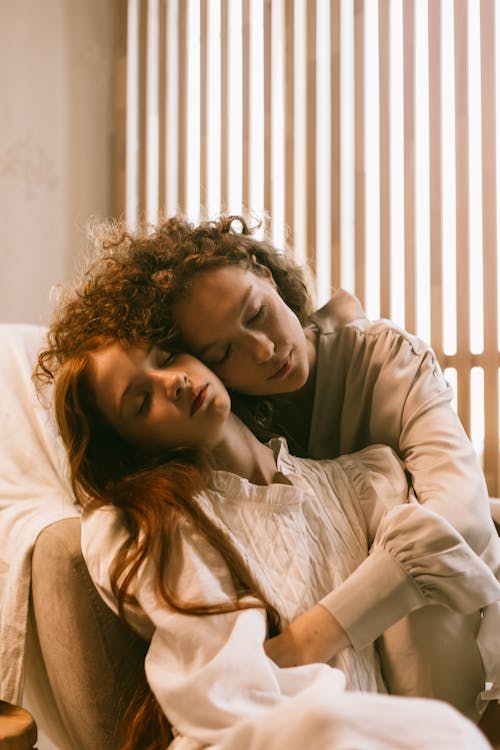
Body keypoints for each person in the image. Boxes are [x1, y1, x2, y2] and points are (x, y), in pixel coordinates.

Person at [40, 214, 500, 710]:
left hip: (459, 621)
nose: (264, 350)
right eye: (221, 350)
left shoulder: (385, 362)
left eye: (256, 313)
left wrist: (302, 643)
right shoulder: (215, 434)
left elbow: (462, 524)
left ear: (264, 272)